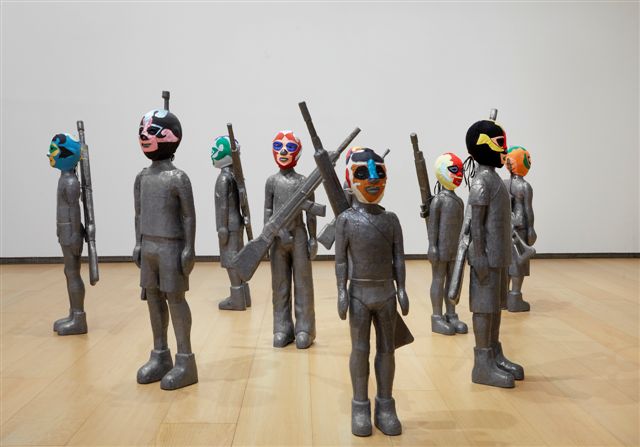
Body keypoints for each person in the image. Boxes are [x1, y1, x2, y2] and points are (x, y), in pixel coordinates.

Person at [335, 147, 409, 436]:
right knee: (360, 349)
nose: (373, 179)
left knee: (387, 350)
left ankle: (386, 405)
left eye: (379, 171)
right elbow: (341, 261)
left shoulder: (391, 220)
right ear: (350, 178)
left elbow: (399, 258)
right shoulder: (346, 220)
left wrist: (402, 289)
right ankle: (360, 406)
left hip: (386, 294)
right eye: (363, 173)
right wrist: (341, 291)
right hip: (359, 294)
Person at [133, 104, 198, 390]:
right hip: (148, 245)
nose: (145, 136)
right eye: (142, 131)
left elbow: (188, 216)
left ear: (172, 136)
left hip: (171, 246)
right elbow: (138, 214)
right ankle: (160, 354)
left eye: (153, 131)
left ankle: (185, 360)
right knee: (153, 298)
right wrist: (138, 243)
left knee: (175, 298)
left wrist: (189, 248)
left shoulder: (178, 178)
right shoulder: (142, 177)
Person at [465, 119, 524, 388]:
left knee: (495, 308)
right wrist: (478, 256)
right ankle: (482, 363)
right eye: (500, 143)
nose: (504, 149)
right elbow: (476, 224)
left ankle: (494, 353)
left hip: (498, 256)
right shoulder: (481, 183)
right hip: (485, 257)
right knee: (483, 308)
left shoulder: (494, 179)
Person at [264, 130, 317, 349]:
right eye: (279, 147)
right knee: (280, 285)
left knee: (303, 284)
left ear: (298, 152)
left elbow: (311, 212)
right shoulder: (272, 181)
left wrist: (313, 238)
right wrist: (269, 235)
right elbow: (267, 211)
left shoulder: (304, 181)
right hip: (277, 239)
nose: (284, 151)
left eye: (290, 147)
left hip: (299, 236)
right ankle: (282, 327)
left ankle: (305, 328)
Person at [48, 133, 87, 335]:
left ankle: (79, 317)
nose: (49, 155)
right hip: (66, 230)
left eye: (53, 150)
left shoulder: (70, 182)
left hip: (70, 232)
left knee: (72, 272)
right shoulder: (66, 179)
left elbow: (75, 210)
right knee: (69, 272)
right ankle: (74, 313)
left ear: (66, 154)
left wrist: (74, 236)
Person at [427, 152, 468, 335]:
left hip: (455, 249)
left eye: (460, 170)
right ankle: (437, 316)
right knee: (438, 279)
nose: (459, 174)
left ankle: (451, 314)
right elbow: (433, 226)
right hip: (441, 249)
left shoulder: (459, 201)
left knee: (453, 282)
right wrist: (432, 246)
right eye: (454, 169)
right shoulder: (438, 200)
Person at [212, 135, 251, 311]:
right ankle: (244, 294)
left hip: (228, 225)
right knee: (238, 257)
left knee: (231, 260)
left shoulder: (223, 179)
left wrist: (222, 227)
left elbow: (223, 206)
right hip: (237, 223)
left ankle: (237, 298)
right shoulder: (235, 176)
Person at [503, 146, 536, 312]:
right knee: (519, 264)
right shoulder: (525, 186)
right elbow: (528, 210)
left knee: (507, 262)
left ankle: (503, 298)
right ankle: (515, 296)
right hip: (521, 228)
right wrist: (531, 229)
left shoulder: (504, 184)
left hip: (507, 227)